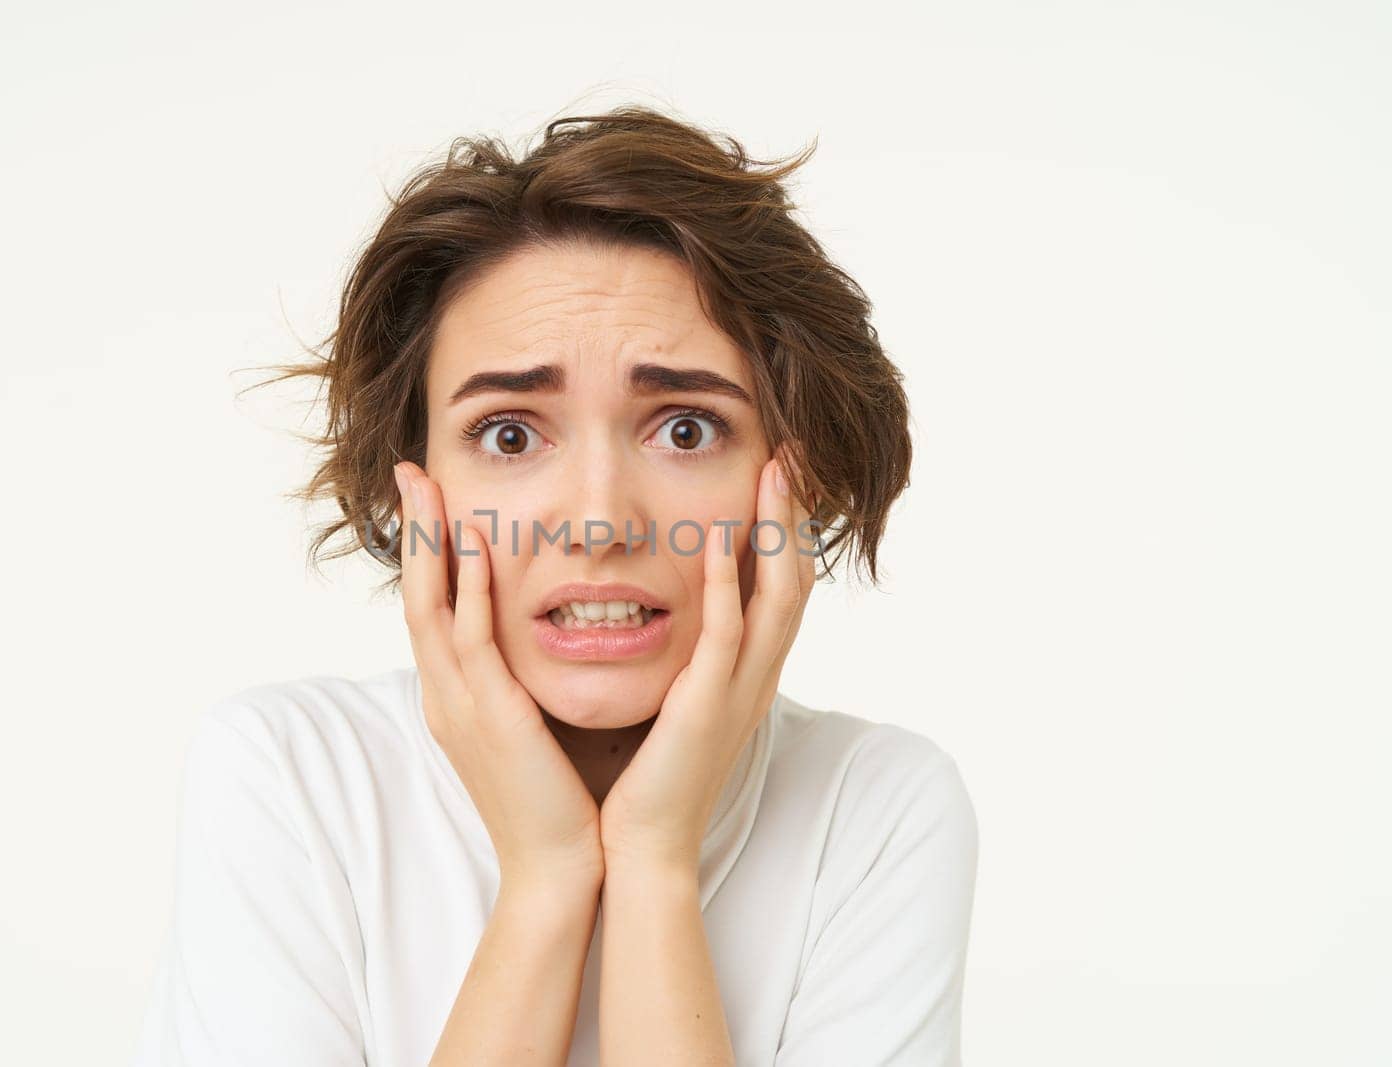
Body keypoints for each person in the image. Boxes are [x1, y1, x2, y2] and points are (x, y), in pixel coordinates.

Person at [132, 104, 978, 1066]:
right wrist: (547, 877)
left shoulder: (874, 808)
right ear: (419, 493)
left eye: (686, 429)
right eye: (509, 434)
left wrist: (654, 866)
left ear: (789, 481)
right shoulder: (294, 777)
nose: (600, 520)